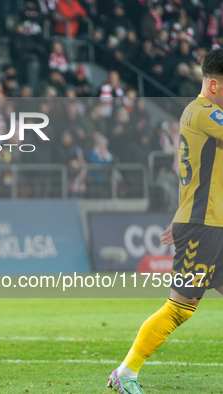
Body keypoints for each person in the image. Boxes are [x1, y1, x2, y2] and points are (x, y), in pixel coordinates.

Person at [107, 48, 223, 394]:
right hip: (203, 225)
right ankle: (126, 372)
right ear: (214, 85)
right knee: (181, 307)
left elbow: (203, 174)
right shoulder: (203, 112)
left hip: (210, 220)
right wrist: (187, 218)